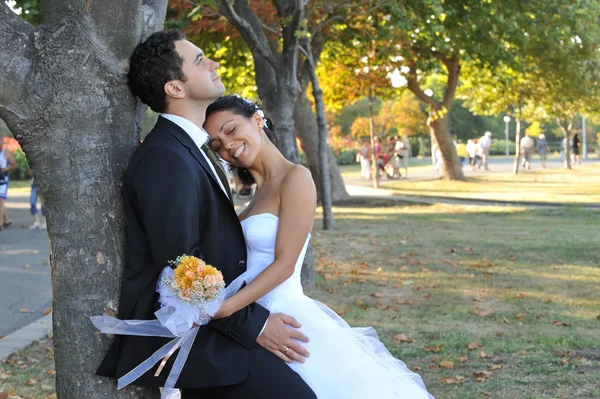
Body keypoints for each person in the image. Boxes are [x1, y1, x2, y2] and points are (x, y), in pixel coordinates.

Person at [96, 30, 316, 399]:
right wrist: (257, 326)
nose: (212, 63)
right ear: (175, 89)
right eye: (199, 60)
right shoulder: (167, 156)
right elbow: (182, 263)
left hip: (222, 330)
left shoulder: (189, 150)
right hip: (204, 345)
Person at [204, 96, 433, 399]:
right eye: (217, 144)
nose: (227, 146)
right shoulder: (253, 197)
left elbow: (285, 263)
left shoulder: (296, 178)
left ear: (257, 120)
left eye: (231, 130)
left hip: (286, 317)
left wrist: (225, 308)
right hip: (255, 321)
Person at [0, 143, 16, 231]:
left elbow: (14, 165)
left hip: (3, 180)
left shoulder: (5, 153)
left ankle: (0, 224)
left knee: (0, 200)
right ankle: (6, 220)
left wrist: (6, 169)